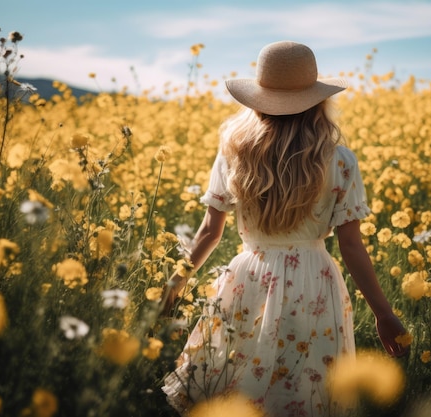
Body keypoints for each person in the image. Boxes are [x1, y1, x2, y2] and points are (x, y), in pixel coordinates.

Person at [160, 40, 409, 417]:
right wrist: (383, 313)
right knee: (306, 390)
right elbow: (352, 248)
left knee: (237, 382)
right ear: (318, 99)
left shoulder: (234, 152)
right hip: (314, 283)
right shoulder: (339, 160)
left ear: (258, 97)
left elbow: (209, 233)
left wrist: (175, 282)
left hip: (247, 278)